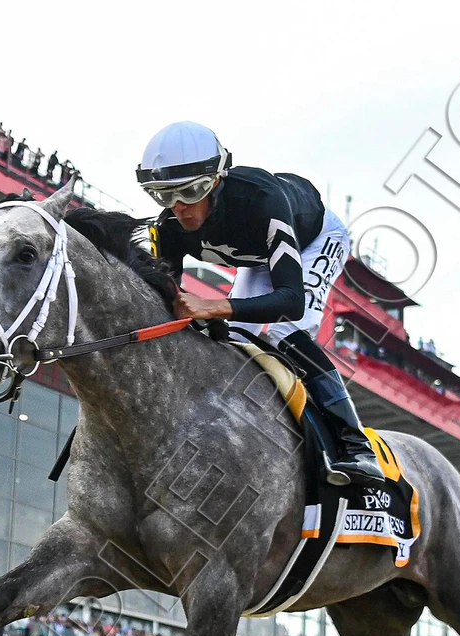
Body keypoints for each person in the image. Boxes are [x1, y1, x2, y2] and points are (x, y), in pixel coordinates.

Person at [136, 121, 383, 484]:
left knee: (285, 331)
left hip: (313, 239)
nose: (180, 209)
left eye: (190, 193)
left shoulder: (261, 199)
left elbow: (291, 301)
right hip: (255, 258)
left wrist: (214, 306)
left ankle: (356, 446)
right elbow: (169, 310)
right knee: (234, 339)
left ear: (215, 181)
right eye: (164, 195)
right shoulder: (168, 228)